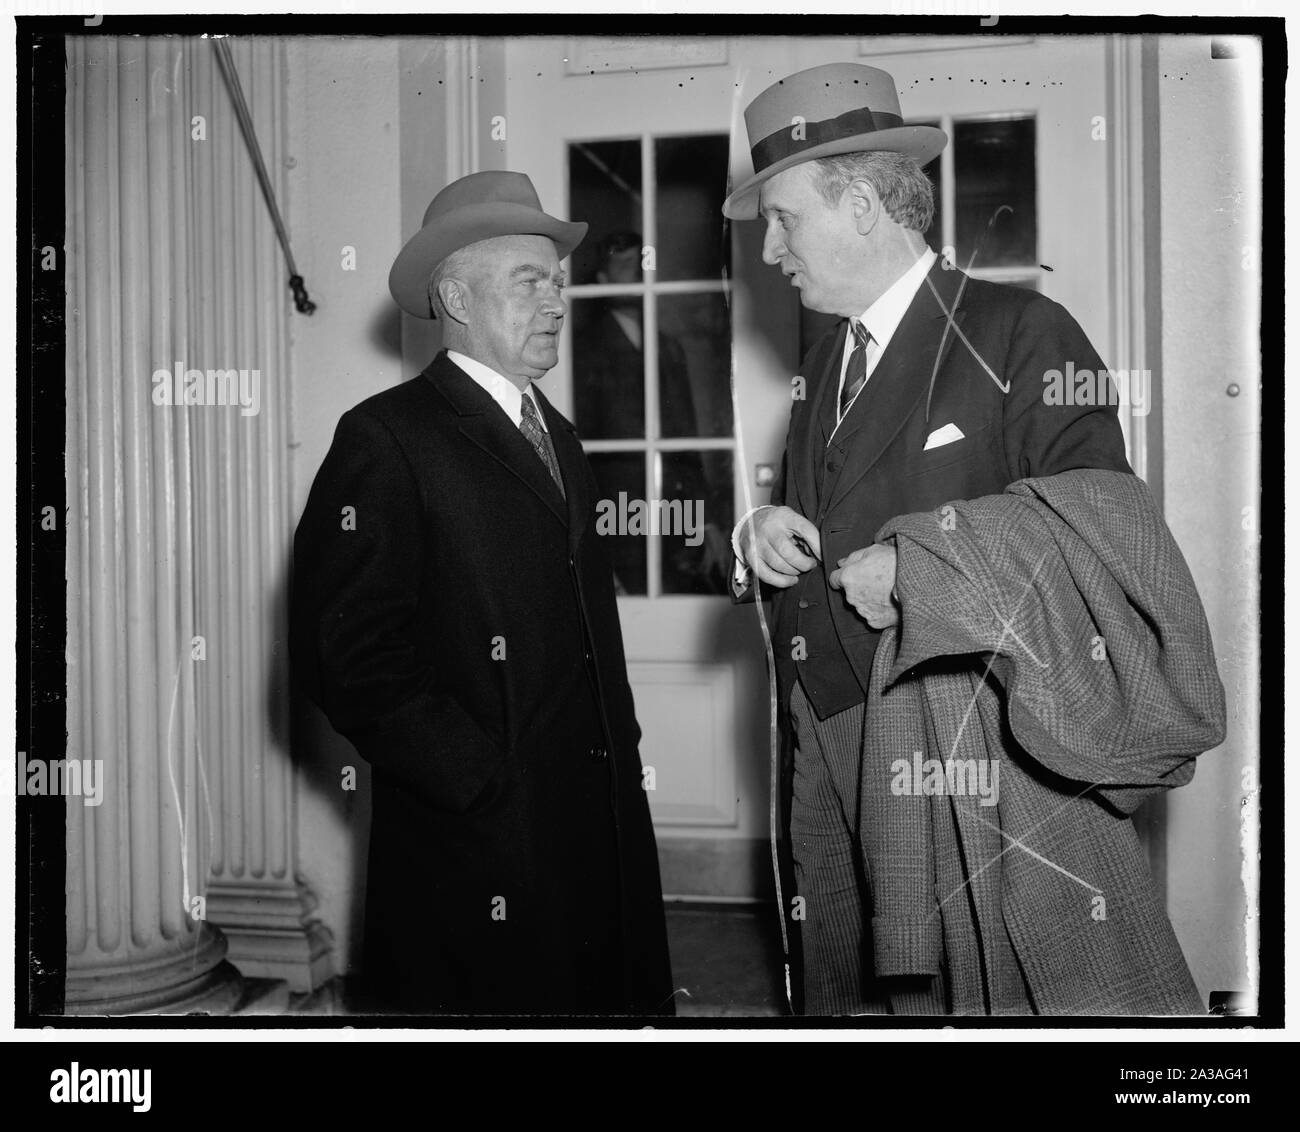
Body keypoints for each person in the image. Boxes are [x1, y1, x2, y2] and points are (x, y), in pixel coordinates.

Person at [727, 63, 1225, 1015]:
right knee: (842, 982)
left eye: (784, 218)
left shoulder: (1021, 331)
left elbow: (1112, 540)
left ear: (865, 202)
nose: (771, 249)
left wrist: (923, 566)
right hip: (822, 734)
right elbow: (824, 516)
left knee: (966, 995)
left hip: (961, 749)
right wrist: (759, 533)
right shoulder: (825, 360)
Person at [290, 170, 673, 1016]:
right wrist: (476, 778)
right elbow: (345, 655)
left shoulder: (558, 435)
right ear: (458, 297)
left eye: (560, 283)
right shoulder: (385, 439)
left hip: (593, 822)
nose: (557, 302)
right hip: (476, 841)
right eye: (530, 282)